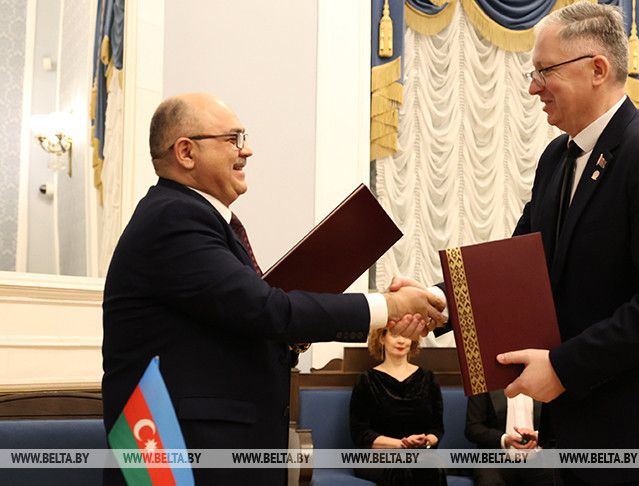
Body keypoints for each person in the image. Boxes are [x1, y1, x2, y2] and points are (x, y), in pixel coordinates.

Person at [393, 3, 639, 485]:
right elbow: (519, 267)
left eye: (544, 71)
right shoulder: (558, 157)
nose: (533, 87)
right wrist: (438, 300)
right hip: (584, 431)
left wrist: (562, 366)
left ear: (597, 69)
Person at [101, 92, 445, 486]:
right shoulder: (174, 218)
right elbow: (263, 309)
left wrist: (290, 334)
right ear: (186, 152)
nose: (247, 150)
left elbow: (233, 322)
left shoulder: (196, 219)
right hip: (179, 452)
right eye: (233, 138)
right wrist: (387, 306)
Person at [349, 327, 447, 486]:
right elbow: (360, 434)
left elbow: (437, 429)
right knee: (400, 468)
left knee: (433, 468)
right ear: (382, 338)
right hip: (377, 457)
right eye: (395, 335)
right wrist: (401, 444)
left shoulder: (428, 378)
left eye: (407, 335)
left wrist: (425, 440)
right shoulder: (366, 380)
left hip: (420, 454)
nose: (401, 340)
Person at [465, 391, 552, 486]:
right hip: (495, 459)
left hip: (539, 459)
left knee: (560, 475)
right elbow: (473, 428)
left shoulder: (545, 384)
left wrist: (540, 437)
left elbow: (560, 424)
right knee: (489, 481)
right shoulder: (484, 382)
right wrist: (504, 439)